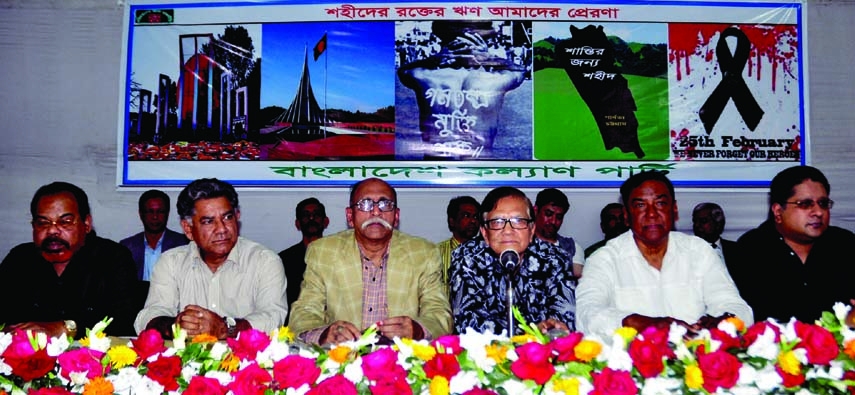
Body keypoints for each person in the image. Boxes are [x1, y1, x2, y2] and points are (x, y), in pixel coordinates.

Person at [576, 171, 752, 338]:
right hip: (631, 365)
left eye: (660, 204)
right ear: (626, 216)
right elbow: (587, 314)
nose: (652, 214)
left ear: (674, 210)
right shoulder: (604, 259)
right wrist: (639, 323)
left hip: (695, 361)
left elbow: (738, 307)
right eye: (640, 205)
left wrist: (721, 321)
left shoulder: (699, 251)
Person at [290, 178, 451, 346]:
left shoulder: (423, 253)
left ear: (396, 216)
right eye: (365, 204)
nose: (376, 212)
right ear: (350, 216)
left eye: (385, 204)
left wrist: (418, 330)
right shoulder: (323, 252)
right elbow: (304, 312)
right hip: (342, 360)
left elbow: (439, 313)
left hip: (402, 360)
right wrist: (324, 335)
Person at [134, 178, 287, 339]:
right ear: (188, 229)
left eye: (227, 218)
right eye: (208, 221)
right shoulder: (171, 262)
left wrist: (225, 328)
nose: (222, 229)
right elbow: (148, 316)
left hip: (247, 362)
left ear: (237, 216)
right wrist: (175, 325)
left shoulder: (264, 261)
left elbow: (273, 318)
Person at [0, 182, 138, 337]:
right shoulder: (19, 259)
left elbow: (124, 320)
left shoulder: (112, 257)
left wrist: (66, 328)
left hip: (92, 357)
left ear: (86, 224)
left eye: (65, 221)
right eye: (42, 223)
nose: (52, 231)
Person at [731, 166, 855, 323]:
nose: (818, 212)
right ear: (777, 211)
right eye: (805, 204)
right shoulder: (752, 250)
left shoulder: (844, 244)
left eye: (823, 203)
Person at [450, 186, 576, 336]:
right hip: (486, 355)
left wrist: (550, 329)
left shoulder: (556, 259)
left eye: (518, 220)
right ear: (484, 233)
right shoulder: (466, 258)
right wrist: (531, 333)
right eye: (497, 221)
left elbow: (564, 322)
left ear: (531, 229)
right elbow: (467, 325)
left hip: (540, 355)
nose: (508, 230)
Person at [397, 20, 527, 159]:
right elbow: (521, 71)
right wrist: (490, 58)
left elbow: (403, 71)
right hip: (480, 164)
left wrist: (437, 57)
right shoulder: (494, 80)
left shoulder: (426, 76)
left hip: (437, 165)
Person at [279, 197, 329, 324]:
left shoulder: (338, 256)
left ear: (325, 222)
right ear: (298, 224)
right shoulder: (284, 259)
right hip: (295, 326)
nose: (311, 219)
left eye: (316, 215)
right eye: (306, 215)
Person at [120, 189, 188, 281]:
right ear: (141, 214)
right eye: (150, 212)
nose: (155, 217)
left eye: (160, 212)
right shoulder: (127, 247)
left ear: (167, 214)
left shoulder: (183, 244)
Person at [533, 188, 586, 277]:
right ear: (535, 211)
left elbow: (578, 279)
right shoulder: (522, 244)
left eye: (559, 217)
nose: (553, 221)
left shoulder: (571, 247)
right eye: (548, 214)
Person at [437, 196, 480, 286]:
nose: (473, 221)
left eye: (476, 217)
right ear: (452, 221)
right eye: (466, 216)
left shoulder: (485, 254)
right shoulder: (436, 252)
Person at [692, 202, 738, 273]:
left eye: (703, 221)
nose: (697, 225)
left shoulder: (737, 250)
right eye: (694, 221)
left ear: (718, 224)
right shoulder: (687, 251)